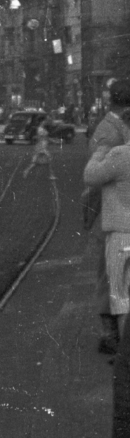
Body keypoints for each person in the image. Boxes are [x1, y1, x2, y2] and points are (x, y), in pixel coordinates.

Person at [87, 83, 130, 355]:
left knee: (115, 278)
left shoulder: (111, 128)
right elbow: (94, 178)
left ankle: (113, 335)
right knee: (111, 277)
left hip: (116, 213)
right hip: (110, 211)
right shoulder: (110, 131)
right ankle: (111, 335)